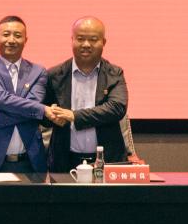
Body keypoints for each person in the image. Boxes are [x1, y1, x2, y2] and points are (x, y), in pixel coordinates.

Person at [44, 16, 128, 172]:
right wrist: (51, 115)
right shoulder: (55, 75)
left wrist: (74, 116)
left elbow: (117, 108)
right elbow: (43, 115)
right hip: (64, 162)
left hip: (107, 161)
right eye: (80, 39)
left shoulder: (114, 73)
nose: (86, 44)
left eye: (93, 40)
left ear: (103, 42)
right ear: (72, 40)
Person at [0, 15, 51, 173]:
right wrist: (42, 110)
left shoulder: (38, 72)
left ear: (25, 40)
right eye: (6, 34)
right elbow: (2, 100)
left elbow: (33, 106)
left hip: (31, 159)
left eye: (17, 35)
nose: (11, 40)